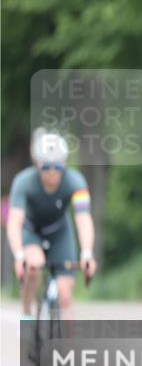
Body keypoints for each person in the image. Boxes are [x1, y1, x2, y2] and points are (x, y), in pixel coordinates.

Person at [6, 130, 97, 320]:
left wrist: (87, 253)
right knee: (34, 266)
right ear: (37, 164)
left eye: (58, 166)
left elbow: (83, 219)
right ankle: (26, 314)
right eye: (47, 166)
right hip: (31, 231)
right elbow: (15, 222)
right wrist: (19, 256)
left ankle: (69, 347)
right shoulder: (23, 182)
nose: (52, 171)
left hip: (60, 232)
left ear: (64, 164)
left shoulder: (76, 181)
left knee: (65, 295)